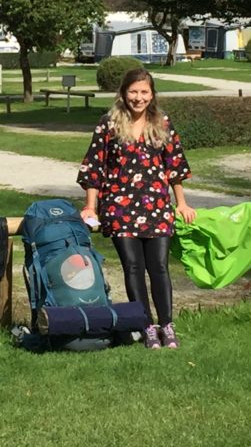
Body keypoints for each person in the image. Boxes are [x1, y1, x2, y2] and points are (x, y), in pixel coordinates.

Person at [77, 67, 196, 349]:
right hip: (120, 207)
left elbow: (175, 166)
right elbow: (94, 167)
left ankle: (167, 324)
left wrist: (181, 203)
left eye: (144, 92)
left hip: (156, 206)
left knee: (159, 267)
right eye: (133, 91)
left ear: (152, 94)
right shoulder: (109, 124)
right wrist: (90, 207)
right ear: (123, 93)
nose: (138, 98)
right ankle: (145, 326)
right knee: (133, 267)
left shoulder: (162, 123)